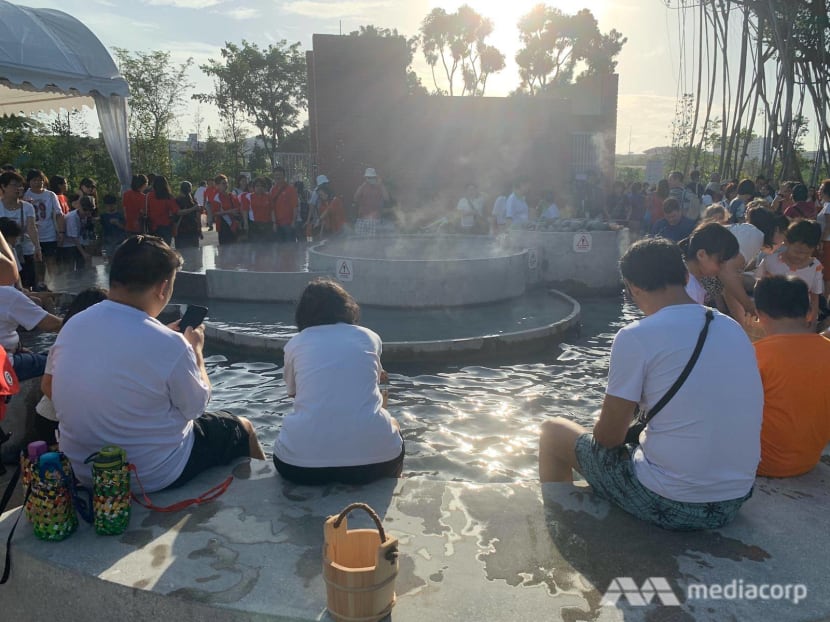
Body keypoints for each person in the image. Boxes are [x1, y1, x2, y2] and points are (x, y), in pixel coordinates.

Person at [539, 238, 763, 531]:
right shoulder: (730, 327)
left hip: (672, 503)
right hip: (734, 498)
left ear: (633, 288)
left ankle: (566, 526)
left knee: (553, 431)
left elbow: (608, 439)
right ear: (685, 276)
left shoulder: (635, 336)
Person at [46, 235, 265, 492]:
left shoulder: (74, 325)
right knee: (242, 427)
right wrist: (195, 352)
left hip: (85, 470)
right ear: (163, 288)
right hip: (151, 473)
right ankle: (269, 497)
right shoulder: (170, 344)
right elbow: (195, 408)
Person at [273, 278, 404, 485]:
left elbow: (293, 393)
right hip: (378, 463)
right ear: (346, 308)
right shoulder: (370, 338)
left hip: (300, 466)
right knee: (393, 423)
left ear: (303, 313)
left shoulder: (295, 344)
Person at [753, 276, 830, 477]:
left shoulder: (755, 355)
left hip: (760, 462)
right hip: (807, 460)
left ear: (759, 315)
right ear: (809, 313)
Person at [33, 287, 108, 445]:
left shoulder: (94, 343)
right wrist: (73, 411)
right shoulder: (65, 344)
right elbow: (47, 385)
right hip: (53, 419)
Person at [756, 219, 823, 325]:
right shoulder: (770, 262)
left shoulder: (815, 266)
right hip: (772, 316)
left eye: (807, 253)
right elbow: (759, 287)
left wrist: (812, 322)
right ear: (786, 242)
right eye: (797, 251)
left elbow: (815, 298)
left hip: (799, 320)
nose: (801, 256)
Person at [0, 171, 41, 289]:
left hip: (25, 250)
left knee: (29, 282)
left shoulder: (27, 207)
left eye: (20, 185)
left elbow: (32, 228)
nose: (18, 188)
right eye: (14, 185)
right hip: (5, 251)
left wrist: (37, 247)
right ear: (3, 186)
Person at [681, 222, 739, 304]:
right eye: (720, 262)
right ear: (701, 255)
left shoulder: (684, 274)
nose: (723, 268)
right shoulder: (690, 289)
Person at [23, 169, 63, 284]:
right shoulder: (25, 195)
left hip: (49, 233)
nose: (38, 182)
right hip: (33, 235)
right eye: (35, 180)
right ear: (29, 181)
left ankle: (54, 284)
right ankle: (40, 284)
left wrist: (61, 232)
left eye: (40, 180)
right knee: (38, 261)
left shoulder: (50, 195)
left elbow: (59, 214)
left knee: (51, 261)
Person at [353, 168, 389, 236]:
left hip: (374, 219)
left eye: (372, 177)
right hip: (362, 218)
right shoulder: (363, 187)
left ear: (375, 177)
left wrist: (381, 184)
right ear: (365, 178)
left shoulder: (379, 187)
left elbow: (386, 198)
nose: (370, 179)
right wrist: (362, 185)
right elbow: (355, 198)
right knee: (359, 239)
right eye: (368, 177)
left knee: (372, 241)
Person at [145, 175, 179, 245]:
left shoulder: (149, 195)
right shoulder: (168, 196)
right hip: (166, 226)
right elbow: (176, 211)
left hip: (152, 226)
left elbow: (146, 210)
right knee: (165, 249)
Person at [270, 166, 299, 242]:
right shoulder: (273, 190)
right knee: (279, 248)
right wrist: (274, 223)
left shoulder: (291, 189)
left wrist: (293, 221)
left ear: (284, 176)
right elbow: (272, 208)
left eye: (279, 175)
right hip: (278, 224)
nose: (278, 177)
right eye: (276, 175)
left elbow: (295, 207)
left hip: (288, 224)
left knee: (290, 247)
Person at [212, 175, 241, 245]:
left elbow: (238, 207)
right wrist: (229, 212)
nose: (226, 185)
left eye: (226, 183)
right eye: (223, 183)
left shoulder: (231, 196)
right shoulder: (216, 197)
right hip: (224, 226)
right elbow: (214, 213)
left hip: (235, 225)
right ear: (217, 185)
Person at [174, 182, 202, 249]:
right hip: (193, 230)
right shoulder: (193, 202)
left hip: (181, 231)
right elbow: (198, 216)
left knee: (182, 254)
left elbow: (176, 214)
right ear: (190, 189)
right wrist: (199, 229)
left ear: (181, 189)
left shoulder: (177, 200)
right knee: (194, 254)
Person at [99, 194, 126, 258]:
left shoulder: (120, 215)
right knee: (108, 262)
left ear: (115, 204)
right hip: (107, 242)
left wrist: (117, 223)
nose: (110, 206)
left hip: (119, 242)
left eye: (112, 205)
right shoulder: (103, 216)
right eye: (108, 205)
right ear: (106, 205)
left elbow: (125, 228)